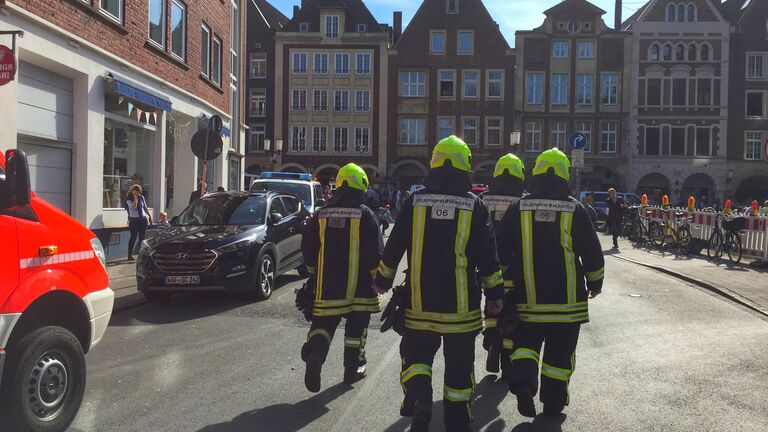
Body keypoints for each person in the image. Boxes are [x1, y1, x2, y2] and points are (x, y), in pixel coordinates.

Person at [375, 136, 504, 432]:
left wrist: (382, 279)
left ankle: (420, 398)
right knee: (459, 369)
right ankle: (457, 421)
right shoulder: (475, 206)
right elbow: (488, 255)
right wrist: (495, 295)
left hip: (420, 305)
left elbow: (394, 246)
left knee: (416, 357)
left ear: (434, 163)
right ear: (465, 166)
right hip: (461, 310)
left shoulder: (414, 202)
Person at [496, 148, 605, 418]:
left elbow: (500, 248)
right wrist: (595, 282)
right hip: (567, 305)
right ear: (564, 174)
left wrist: (498, 286)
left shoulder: (518, 207)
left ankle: (523, 383)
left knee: (525, 345)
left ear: (535, 173)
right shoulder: (575, 209)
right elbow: (592, 252)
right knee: (559, 356)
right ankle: (553, 404)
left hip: (527, 300)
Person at [300, 163, 384, 392]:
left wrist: (312, 274)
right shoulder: (365, 214)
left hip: (327, 286)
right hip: (361, 288)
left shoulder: (321, 214)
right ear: (362, 186)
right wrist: (380, 279)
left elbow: (308, 247)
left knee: (323, 324)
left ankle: (316, 353)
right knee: (356, 329)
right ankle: (352, 368)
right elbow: (375, 252)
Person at [480, 153, 525, 377]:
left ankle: (491, 341)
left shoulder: (483, 199)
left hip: (488, 264)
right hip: (515, 266)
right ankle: (507, 356)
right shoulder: (523, 201)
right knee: (511, 309)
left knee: (491, 302)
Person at [125, 185, 152, 261]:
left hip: (143, 219)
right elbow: (133, 207)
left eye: (140, 190)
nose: (140, 192)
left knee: (142, 238)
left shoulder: (142, 197)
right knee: (133, 238)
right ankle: (129, 255)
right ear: (134, 191)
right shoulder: (129, 199)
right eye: (139, 190)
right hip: (134, 220)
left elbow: (145, 208)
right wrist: (135, 198)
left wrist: (149, 216)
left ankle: (141, 255)